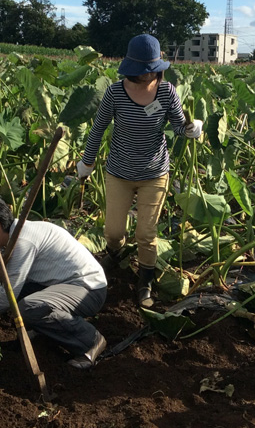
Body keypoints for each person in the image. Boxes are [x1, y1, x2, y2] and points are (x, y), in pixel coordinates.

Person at [76, 33, 203, 307]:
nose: (147, 77)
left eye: (151, 71)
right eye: (142, 72)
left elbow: (178, 126)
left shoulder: (167, 92)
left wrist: (192, 129)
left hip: (154, 172)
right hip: (119, 171)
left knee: (146, 233)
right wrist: (87, 161)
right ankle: (115, 255)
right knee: (112, 231)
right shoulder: (115, 92)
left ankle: (144, 282)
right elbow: (98, 128)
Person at [0, 192, 108, 369]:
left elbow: (8, 295)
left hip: (88, 289)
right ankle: (44, 329)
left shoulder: (23, 241)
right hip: (65, 284)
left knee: (29, 306)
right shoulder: (20, 233)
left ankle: (89, 341)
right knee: (24, 293)